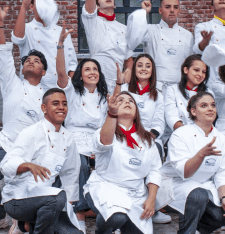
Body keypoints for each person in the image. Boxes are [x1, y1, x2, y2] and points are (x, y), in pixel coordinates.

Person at [0, 1, 50, 233]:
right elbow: (3, 53)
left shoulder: (48, 96)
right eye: (27, 60)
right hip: (6, 145)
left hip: (32, 149)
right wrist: (0, 23)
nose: (30, 62)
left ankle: (22, 219)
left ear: (43, 72)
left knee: (29, 182)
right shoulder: (11, 84)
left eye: (36, 61)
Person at [0, 88, 83, 234]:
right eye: (55, 103)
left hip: (48, 201)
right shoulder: (31, 132)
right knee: (57, 197)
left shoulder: (68, 137)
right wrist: (27, 165)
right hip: (17, 198)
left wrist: (67, 208)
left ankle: (27, 226)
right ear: (44, 108)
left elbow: (71, 173)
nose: (61, 107)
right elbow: (5, 165)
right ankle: (26, 222)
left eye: (64, 104)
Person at [83, 91, 162, 234]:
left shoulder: (148, 139)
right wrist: (112, 114)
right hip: (107, 188)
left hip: (137, 195)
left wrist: (151, 199)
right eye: (121, 100)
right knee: (117, 217)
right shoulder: (104, 132)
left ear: (136, 112)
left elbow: (154, 170)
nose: (127, 102)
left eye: (131, 101)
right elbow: (105, 142)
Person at [163, 92, 225, 233]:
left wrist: (224, 198)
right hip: (175, 183)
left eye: (213, 105)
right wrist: (201, 155)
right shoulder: (180, 134)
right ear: (193, 111)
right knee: (198, 195)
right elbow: (184, 172)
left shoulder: (221, 139)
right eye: (204, 105)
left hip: (205, 185)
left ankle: (199, 230)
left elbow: (223, 173)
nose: (210, 109)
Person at [56, 57, 112, 233]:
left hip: (96, 139)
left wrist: (99, 148)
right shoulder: (72, 92)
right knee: (80, 165)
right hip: (74, 139)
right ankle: (79, 216)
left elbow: (108, 124)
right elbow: (61, 74)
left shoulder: (104, 97)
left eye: (95, 69)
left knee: (112, 164)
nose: (92, 72)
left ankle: (110, 214)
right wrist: (60, 47)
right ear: (80, 75)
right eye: (87, 69)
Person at [119, 53, 170, 224]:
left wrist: (148, 137)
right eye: (140, 65)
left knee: (155, 152)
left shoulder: (158, 95)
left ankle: (152, 206)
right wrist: (134, 134)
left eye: (148, 66)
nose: (143, 69)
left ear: (152, 71)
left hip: (149, 137)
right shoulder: (125, 90)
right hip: (127, 133)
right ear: (134, 69)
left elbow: (159, 122)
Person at [12, 0, 78, 90]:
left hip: (58, 90)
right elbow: (17, 39)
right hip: (31, 90)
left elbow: (72, 65)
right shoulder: (27, 29)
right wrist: (24, 6)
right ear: (32, 7)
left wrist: (66, 87)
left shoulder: (62, 32)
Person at [126, 0, 194, 90]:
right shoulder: (150, 30)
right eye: (167, 7)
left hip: (179, 88)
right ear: (160, 10)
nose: (172, 10)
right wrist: (144, 12)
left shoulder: (188, 35)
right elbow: (133, 39)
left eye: (175, 7)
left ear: (179, 10)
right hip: (155, 87)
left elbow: (190, 65)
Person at [82, 0, 132, 92]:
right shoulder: (93, 23)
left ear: (114, 5)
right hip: (97, 83)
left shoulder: (124, 29)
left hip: (118, 84)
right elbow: (89, 9)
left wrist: (128, 70)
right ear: (97, 6)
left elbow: (128, 58)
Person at [164, 54, 210, 131]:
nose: (200, 74)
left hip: (201, 133)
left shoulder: (208, 93)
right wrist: (186, 133)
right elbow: (171, 116)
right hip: (178, 133)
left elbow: (207, 119)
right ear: (185, 70)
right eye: (196, 70)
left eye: (204, 72)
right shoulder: (172, 90)